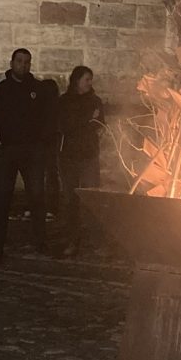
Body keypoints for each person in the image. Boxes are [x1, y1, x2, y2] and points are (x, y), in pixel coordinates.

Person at [0, 48, 59, 263]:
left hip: (32, 151)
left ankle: (40, 242)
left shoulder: (38, 89)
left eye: (27, 62)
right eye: (20, 61)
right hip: (6, 151)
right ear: (12, 63)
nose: (23, 65)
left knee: (37, 196)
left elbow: (48, 116)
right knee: (3, 198)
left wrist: (41, 142)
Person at [58, 65, 103, 257]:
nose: (89, 83)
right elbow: (67, 126)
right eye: (86, 80)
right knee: (71, 200)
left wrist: (88, 123)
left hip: (88, 156)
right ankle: (72, 240)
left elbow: (99, 124)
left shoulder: (95, 101)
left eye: (90, 80)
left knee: (92, 198)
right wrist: (87, 121)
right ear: (77, 80)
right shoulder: (64, 101)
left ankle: (96, 241)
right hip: (69, 157)